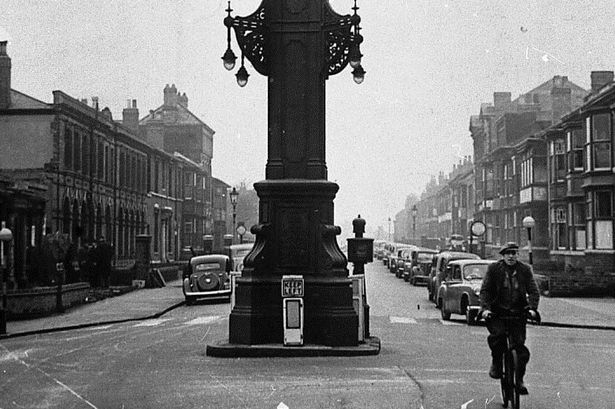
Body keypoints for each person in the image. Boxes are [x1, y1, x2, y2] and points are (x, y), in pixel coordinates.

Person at [479, 242, 540, 395]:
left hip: (518, 314)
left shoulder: (525, 270)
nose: (511, 256)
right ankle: (497, 363)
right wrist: (485, 309)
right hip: (497, 313)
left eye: (514, 253)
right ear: (503, 255)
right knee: (498, 337)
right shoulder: (494, 269)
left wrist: (532, 309)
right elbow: (485, 291)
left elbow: (534, 291)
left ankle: (519, 380)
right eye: (508, 253)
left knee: (521, 350)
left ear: (517, 255)